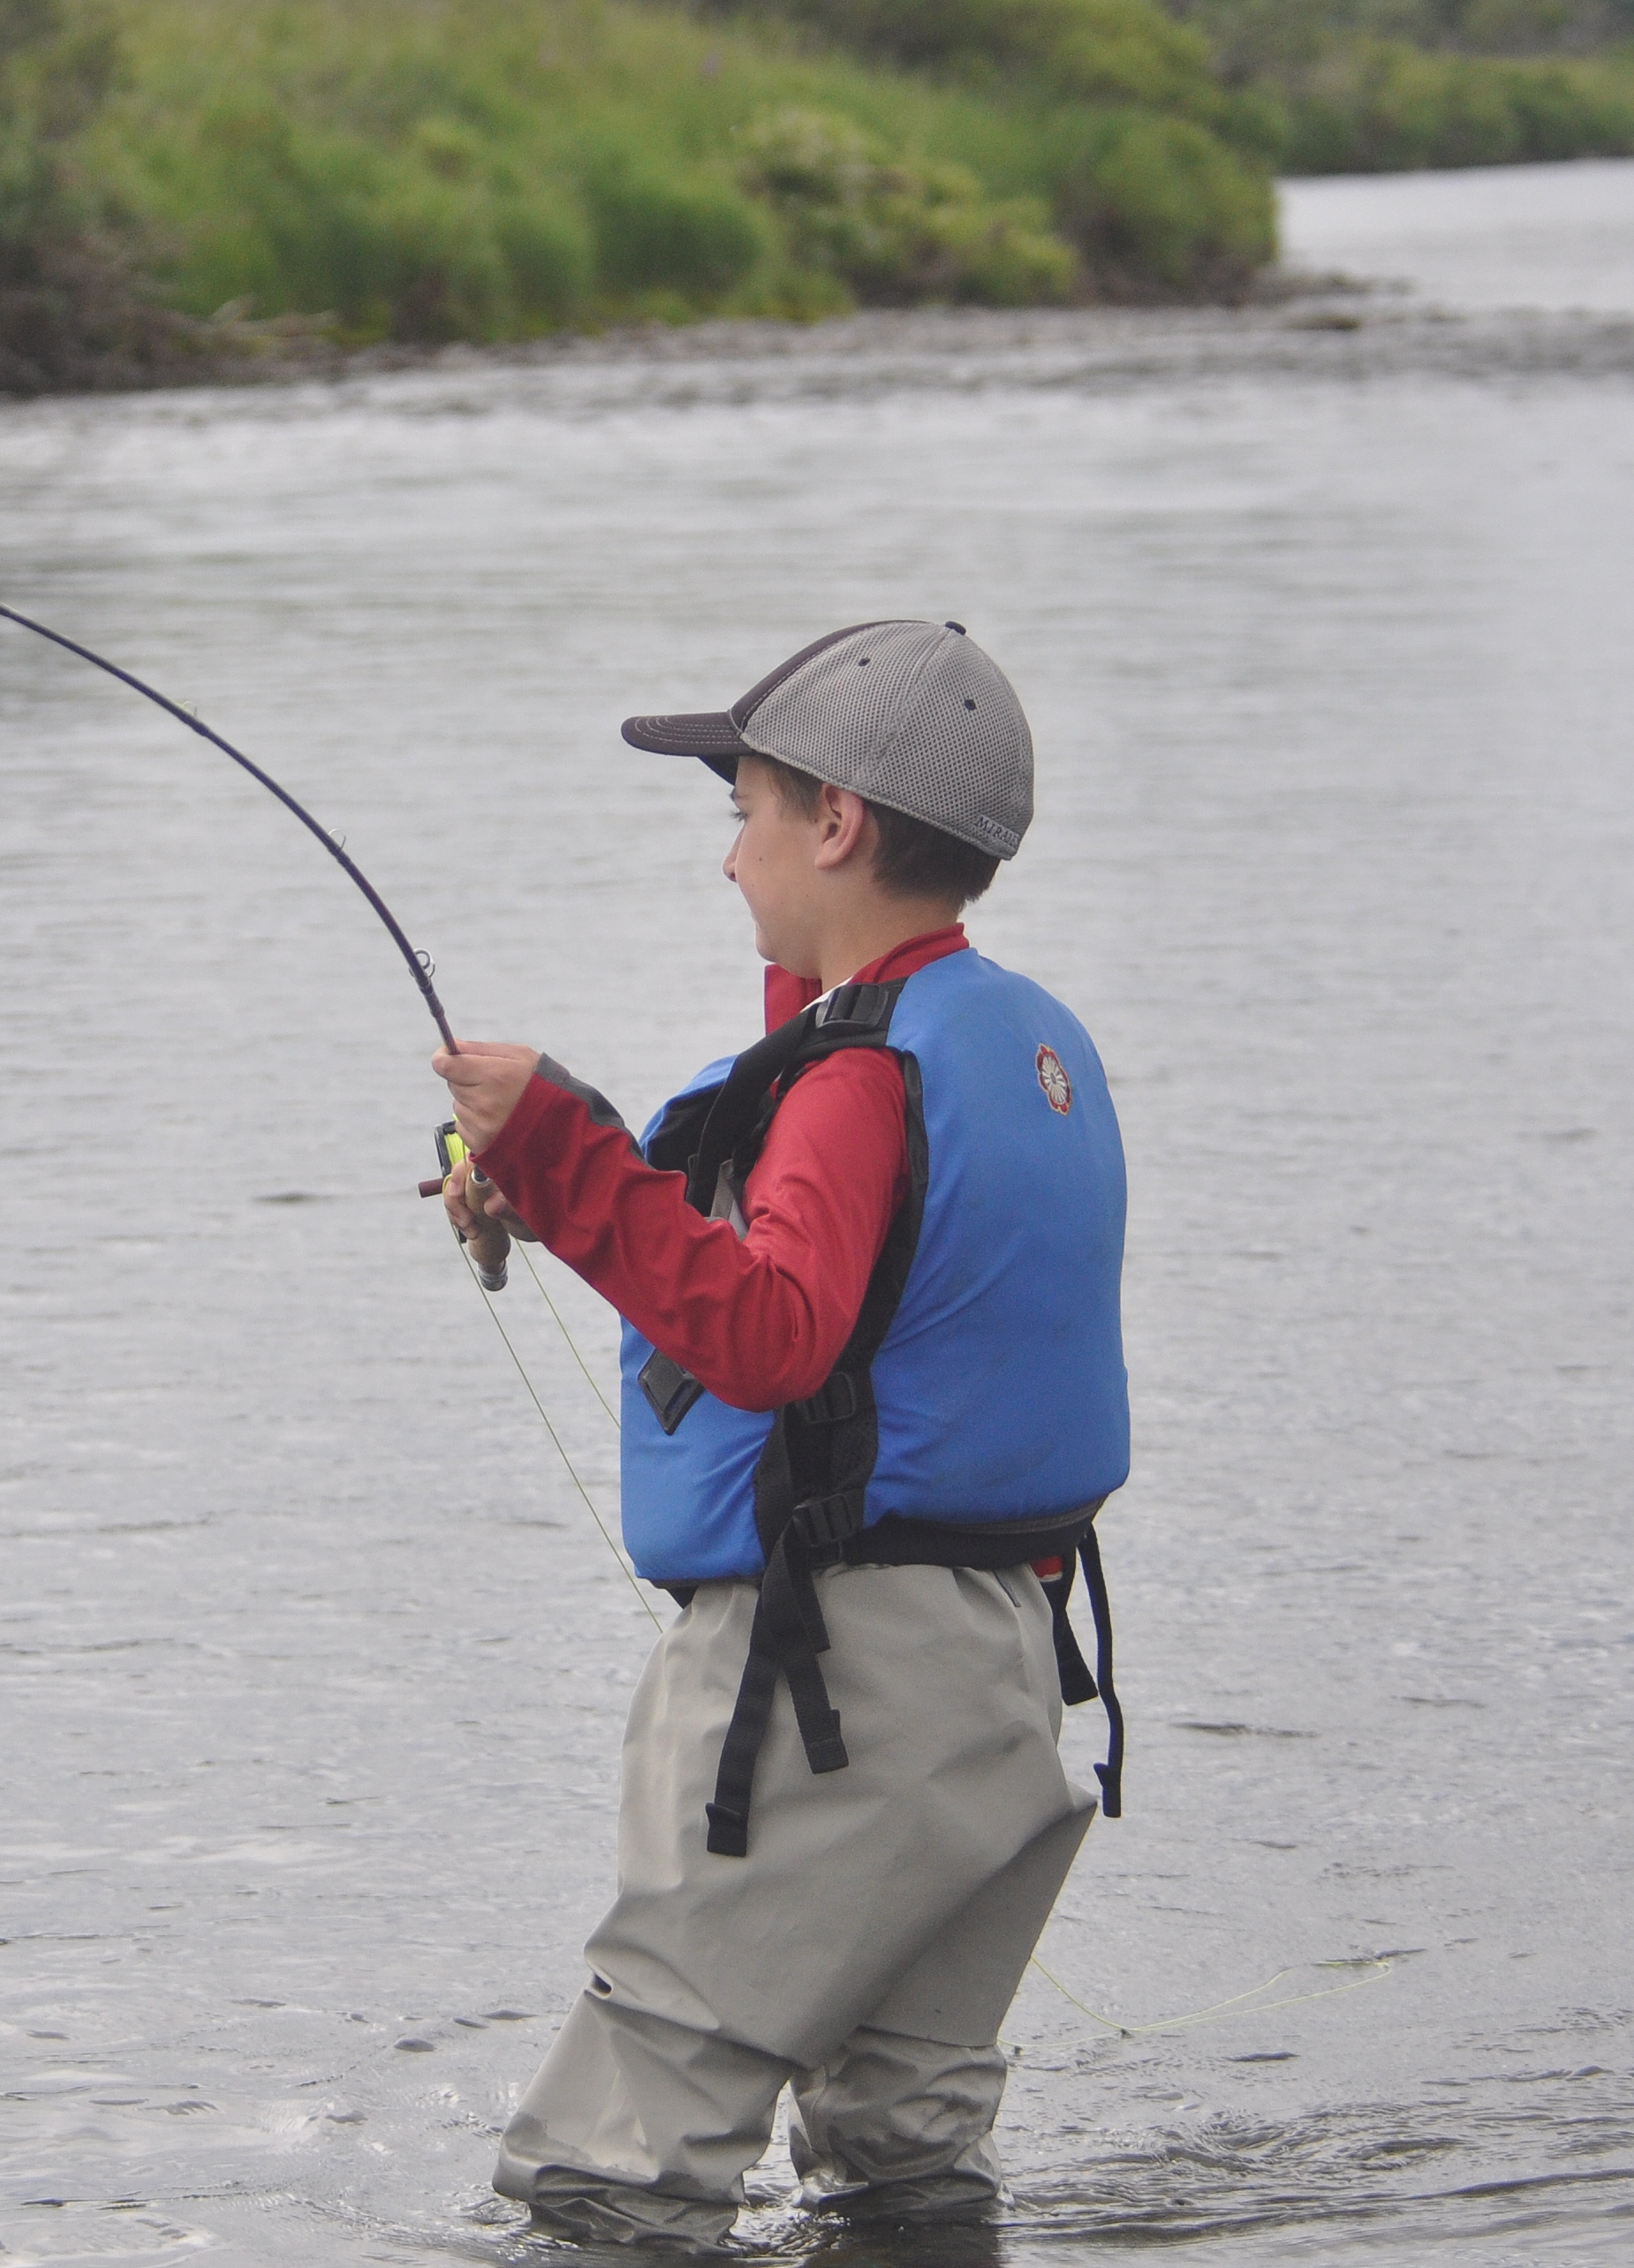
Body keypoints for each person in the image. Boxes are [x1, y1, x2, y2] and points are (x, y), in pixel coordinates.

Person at [429, 617, 1130, 2246]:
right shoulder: (1018, 1040)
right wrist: (554, 1190)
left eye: (742, 808)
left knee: (618, 2159)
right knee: (905, 2145)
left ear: (837, 824)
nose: (727, 853)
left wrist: (563, 1149)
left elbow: (771, 1335)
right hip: (1003, 1670)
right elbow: (874, 1290)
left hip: (841, 1685)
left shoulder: (857, 1078)